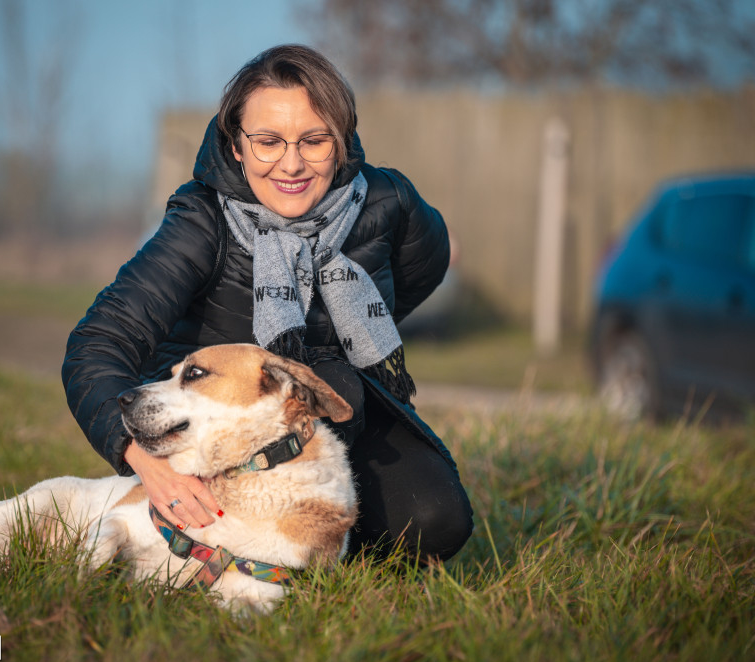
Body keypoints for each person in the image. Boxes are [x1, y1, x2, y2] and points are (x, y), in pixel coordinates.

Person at [62, 45, 472, 563]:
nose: (292, 163)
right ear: (236, 145)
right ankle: (271, 550)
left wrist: (360, 338)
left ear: (342, 141)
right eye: (268, 141)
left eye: (315, 140)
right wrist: (146, 461)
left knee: (435, 521)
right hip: (217, 427)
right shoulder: (200, 221)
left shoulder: (390, 201)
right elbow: (97, 345)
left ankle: (324, 548)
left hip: (337, 411)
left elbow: (422, 271)